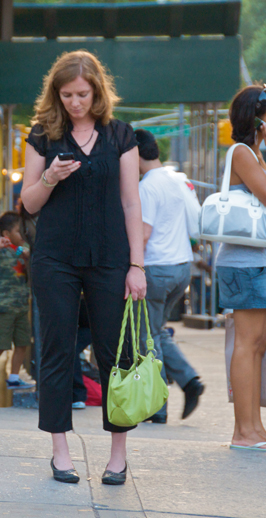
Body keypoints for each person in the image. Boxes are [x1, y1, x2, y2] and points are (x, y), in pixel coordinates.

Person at [21, 50, 146, 485]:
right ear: (56, 94)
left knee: (117, 354)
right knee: (56, 350)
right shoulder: (42, 136)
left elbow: (132, 203)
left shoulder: (120, 135)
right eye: (67, 94)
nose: (75, 102)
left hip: (111, 257)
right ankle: (60, 451)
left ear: (97, 91)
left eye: (82, 94)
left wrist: (137, 265)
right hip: (54, 258)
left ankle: (118, 455)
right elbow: (27, 204)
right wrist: (51, 178)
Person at [215, 84, 266, 453]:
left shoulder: (253, 155)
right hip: (243, 264)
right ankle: (243, 433)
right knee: (248, 345)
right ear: (258, 121)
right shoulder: (243, 153)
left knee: (259, 343)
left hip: (255, 262)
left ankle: (255, 427)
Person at [135, 129, 205, 423]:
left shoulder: (146, 187)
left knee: (146, 339)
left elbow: (144, 234)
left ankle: (157, 406)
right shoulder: (175, 179)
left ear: (134, 156)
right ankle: (189, 382)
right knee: (159, 331)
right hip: (181, 268)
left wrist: (132, 267)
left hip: (156, 269)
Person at [0, 211, 34, 390]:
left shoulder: (21, 251)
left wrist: (28, 256)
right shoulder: (2, 250)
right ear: (6, 234)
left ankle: (13, 377)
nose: (23, 234)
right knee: (2, 344)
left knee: (22, 343)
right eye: (18, 231)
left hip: (21, 306)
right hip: (4, 306)